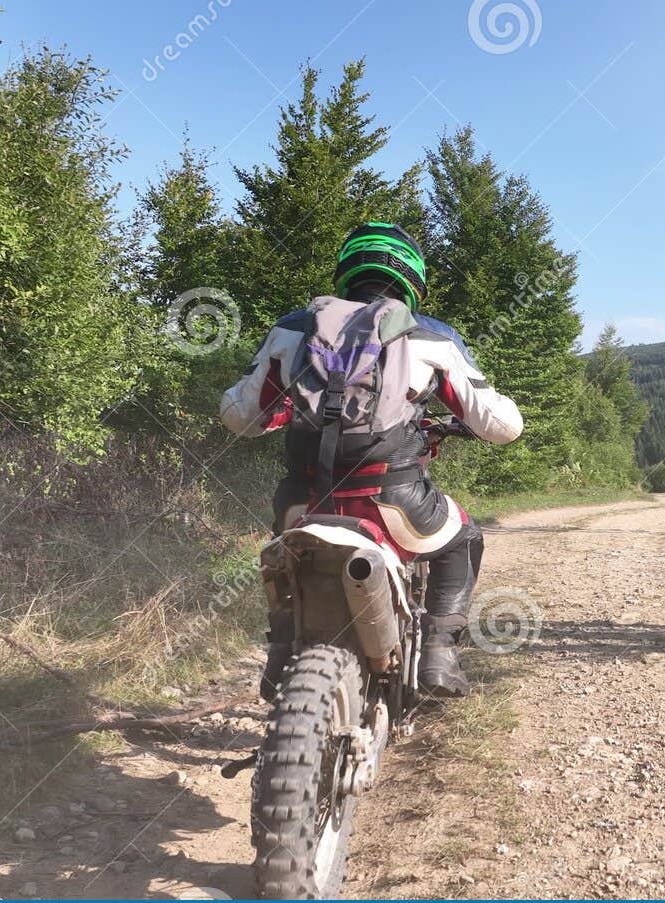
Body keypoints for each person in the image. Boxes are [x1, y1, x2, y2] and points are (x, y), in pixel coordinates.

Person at [219, 222, 524, 700]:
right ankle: (439, 651)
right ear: (412, 280)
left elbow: (239, 417)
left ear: (346, 272)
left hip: (302, 501)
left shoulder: (291, 329)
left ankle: (282, 646)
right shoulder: (432, 337)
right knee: (463, 535)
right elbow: (502, 427)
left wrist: (285, 410)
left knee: (285, 553)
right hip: (393, 504)